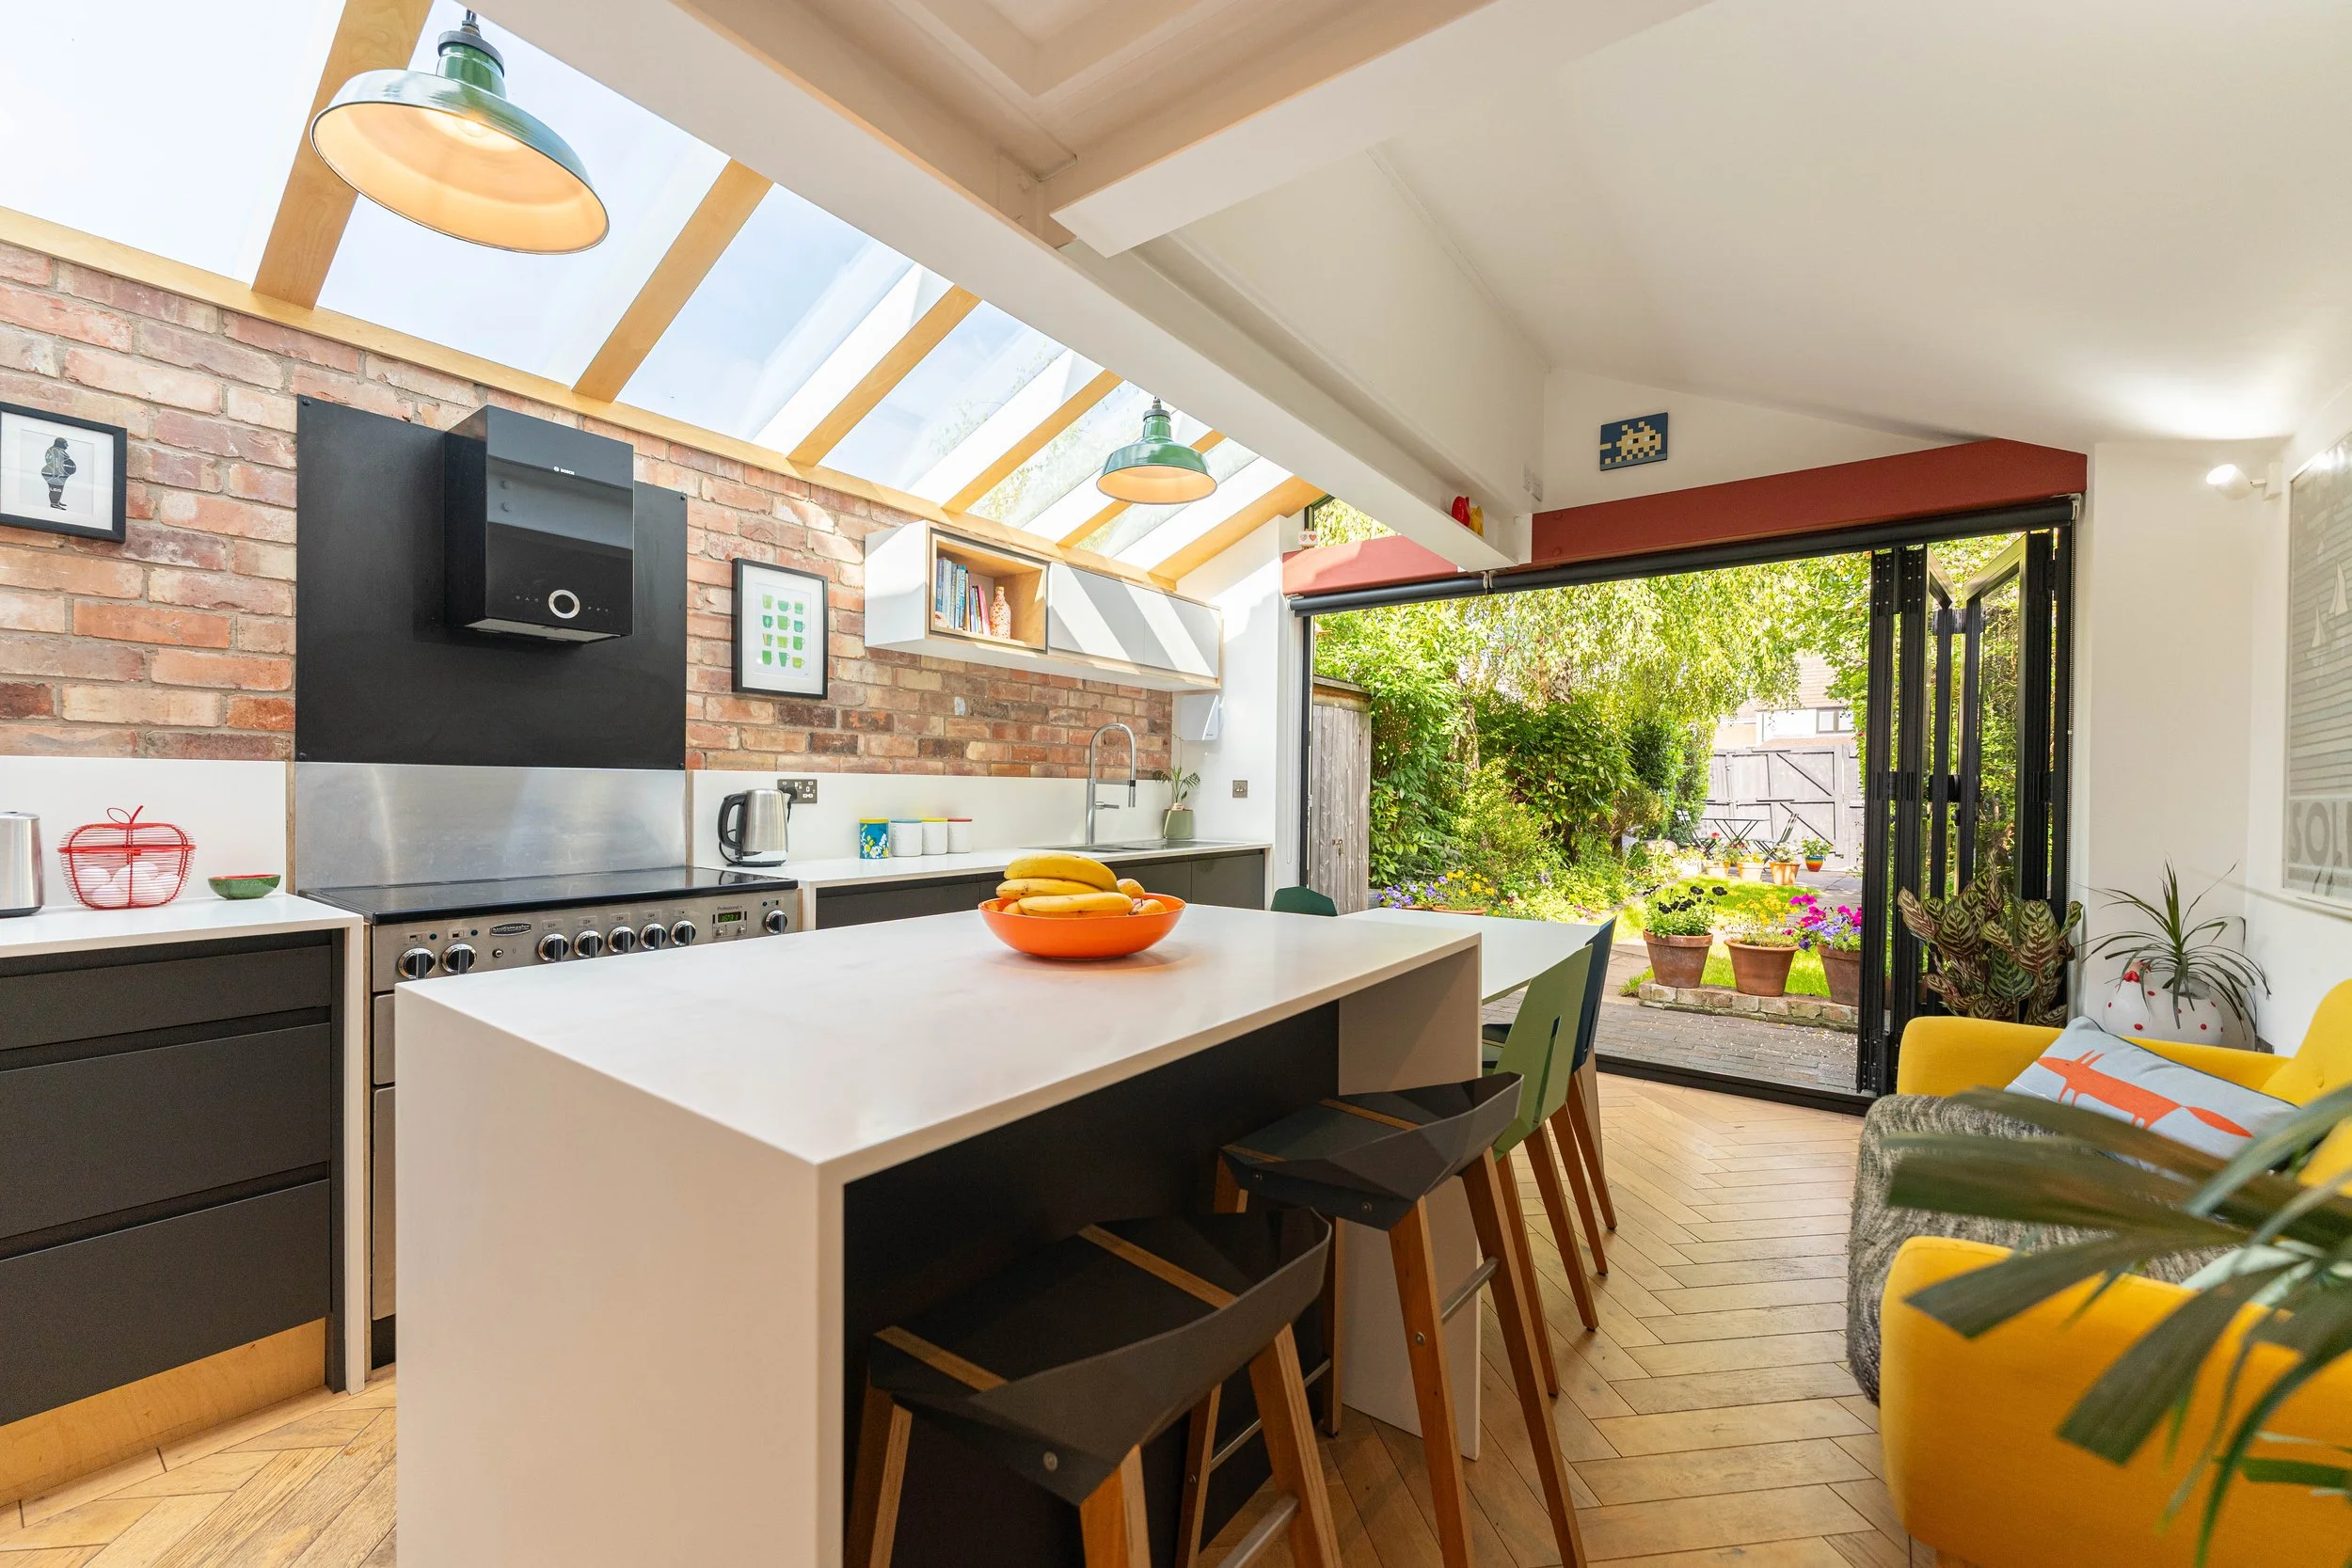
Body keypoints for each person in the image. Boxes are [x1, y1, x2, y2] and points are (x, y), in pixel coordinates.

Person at [40, 436, 75, 509]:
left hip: (54, 472)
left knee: (58, 488)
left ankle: (57, 501)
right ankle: (54, 503)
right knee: (56, 488)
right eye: (66, 444)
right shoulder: (56, 450)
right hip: (55, 473)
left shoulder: (53, 449)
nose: (67, 446)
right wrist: (58, 474)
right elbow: (56, 463)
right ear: (61, 444)